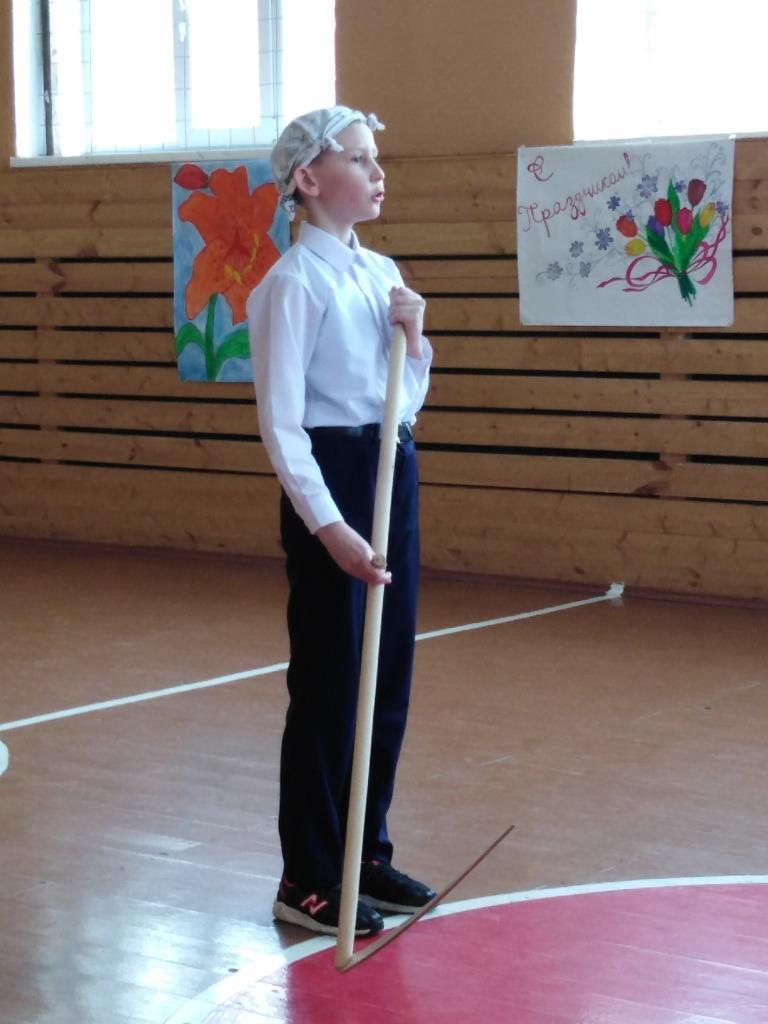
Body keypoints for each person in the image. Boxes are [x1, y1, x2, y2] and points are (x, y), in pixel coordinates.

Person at [246, 105, 436, 937]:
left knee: (386, 675)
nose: (377, 171)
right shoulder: (292, 284)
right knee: (330, 683)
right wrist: (328, 525)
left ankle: (364, 852)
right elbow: (283, 426)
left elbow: (406, 402)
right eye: (359, 159)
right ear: (309, 179)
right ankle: (309, 874)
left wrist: (414, 337)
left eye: (375, 158)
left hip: (392, 466)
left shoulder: (379, 270)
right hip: (335, 478)